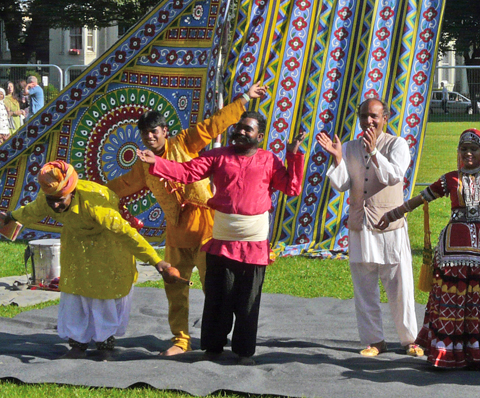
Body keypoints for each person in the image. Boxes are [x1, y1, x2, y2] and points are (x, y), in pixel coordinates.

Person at [374, 87, 480, 371]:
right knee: (454, 299)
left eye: (473, 149)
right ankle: (450, 353)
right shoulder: (450, 179)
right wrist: (392, 214)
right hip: (454, 249)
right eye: (463, 148)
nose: (467, 153)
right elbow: (420, 198)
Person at [106, 82, 268, 356]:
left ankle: (217, 338)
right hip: (176, 233)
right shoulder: (144, 163)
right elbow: (122, 185)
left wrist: (244, 98)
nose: (149, 137)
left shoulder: (184, 142)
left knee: (216, 290)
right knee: (174, 288)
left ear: (164, 132)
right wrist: (86, 190)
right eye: (145, 134)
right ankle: (181, 340)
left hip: (208, 231)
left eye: (153, 132)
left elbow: (213, 124)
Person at [136, 108, 305, 365]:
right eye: (238, 127)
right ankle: (213, 348)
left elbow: (292, 187)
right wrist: (157, 163)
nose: (240, 131)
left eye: (247, 129)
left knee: (248, 302)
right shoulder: (218, 156)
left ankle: (243, 352)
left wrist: (293, 155)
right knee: (218, 298)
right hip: (221, 242)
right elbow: (186, 173)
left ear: (259, 136)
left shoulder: (269, 160)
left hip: (254, 245)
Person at [0, 161, 172, 359]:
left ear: (72, 193)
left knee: (104, 294)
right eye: (51, 201)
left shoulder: (95, 203)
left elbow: (125, 233)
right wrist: (10, 216)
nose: (55, 205)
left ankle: (105, 344)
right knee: (75, 292)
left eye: (60, 200)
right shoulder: (48, 198)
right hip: (77, 247)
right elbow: (31, 211)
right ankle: (77, 345)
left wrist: (156, 261)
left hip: (109, 247)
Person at [315, 98, 423, 358]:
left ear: (386, 117)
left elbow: (393, 176)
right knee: (364, 287)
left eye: (374, 116)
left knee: (400, 286)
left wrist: (374, 152)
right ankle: (375, 341)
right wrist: (338, 159)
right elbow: (341, 185)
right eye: (364, 116)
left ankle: (410, 340)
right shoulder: (351, 147)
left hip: (391, 228)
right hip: (359, 226)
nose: (369, 121)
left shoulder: (397, 144)